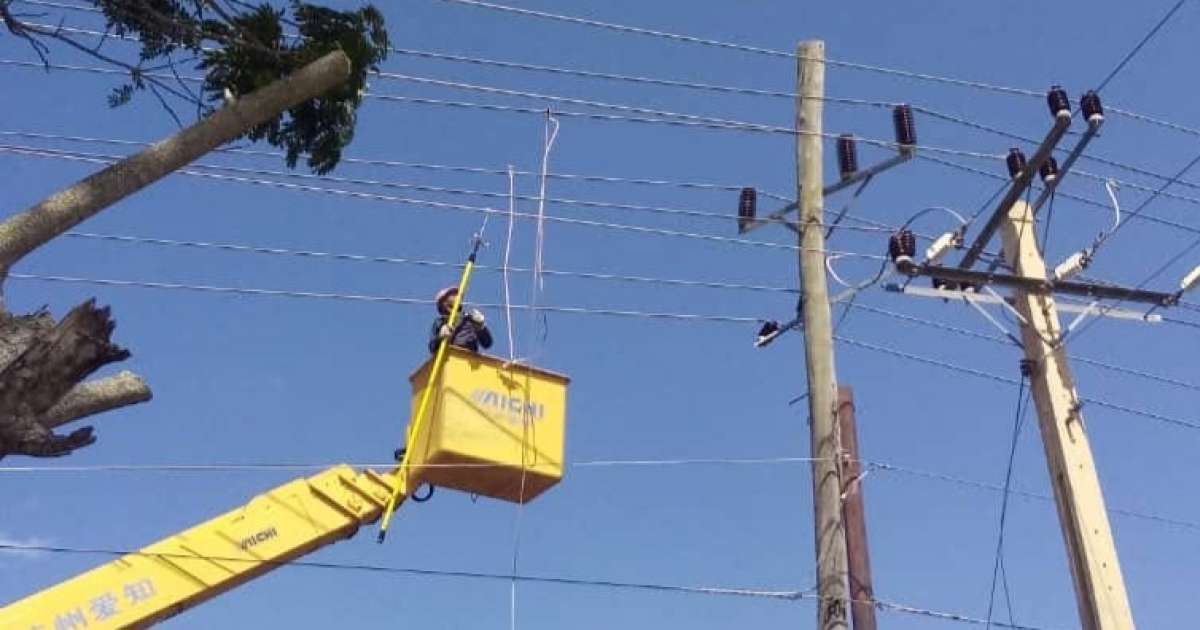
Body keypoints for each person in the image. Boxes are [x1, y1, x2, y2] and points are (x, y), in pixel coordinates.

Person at [429, 286, 493, 354]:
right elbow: (432, 348)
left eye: (456, 295)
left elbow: (487, 343)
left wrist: (480, 327)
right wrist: (440, 337)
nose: (456, 298)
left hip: (469, 359)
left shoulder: (469, 319)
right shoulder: (440, 322)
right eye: (452, 295)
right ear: (443, 304)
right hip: (449, 358)